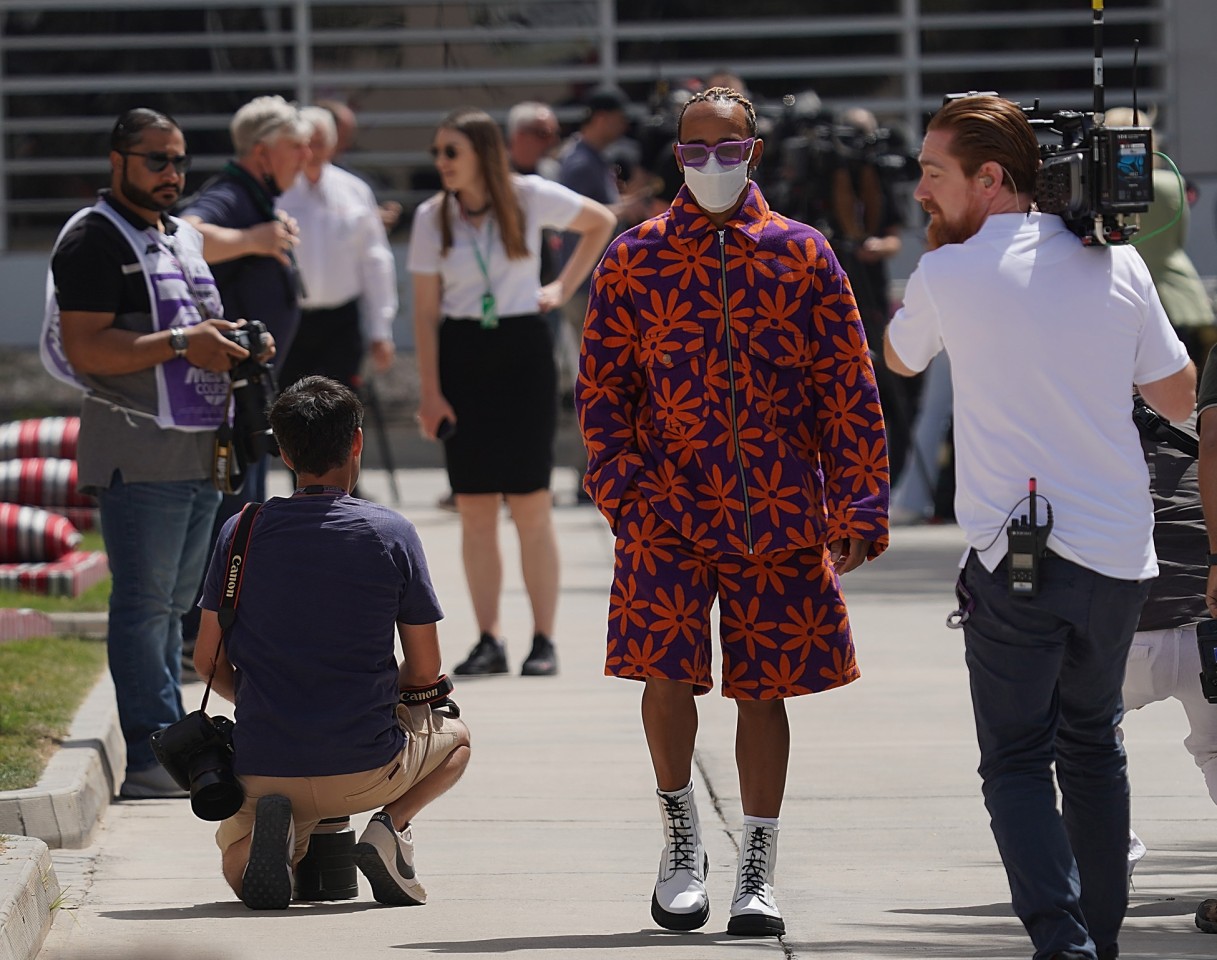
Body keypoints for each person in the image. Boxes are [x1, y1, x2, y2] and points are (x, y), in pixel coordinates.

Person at [883, 94, 1195, 960]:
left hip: (1009, 562)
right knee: (1093, 745)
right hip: (1115, 558)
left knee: (1016, 761)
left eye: (932, 173)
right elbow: (1176, 396)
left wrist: (948, 261)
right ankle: (1096, 938)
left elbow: (900, 356)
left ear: (990, 179)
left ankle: (1063, 946)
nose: (919, 193)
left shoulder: (947, 273)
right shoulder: (1118, 265)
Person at [577, 86, 889, 937]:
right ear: (674, 154)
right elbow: (603, 390)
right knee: (663, 670)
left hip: (779, 505)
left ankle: (757, 861)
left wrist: (858, 499)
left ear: (753, 150)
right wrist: (624, 493)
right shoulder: (634, 257)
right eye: (693, 148)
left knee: (766, 687)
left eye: (727, 147)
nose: (710, 162)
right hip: (665, 507)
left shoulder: (803, 252)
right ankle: (681, 838)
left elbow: (847, 383)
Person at [40, 108, 271, 799]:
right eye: (156, 161)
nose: (172, 174)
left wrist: (232, 342)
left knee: (174, 605)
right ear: (117, 161)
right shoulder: (90, 239)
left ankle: (175, 743)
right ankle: (151, 755)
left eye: (179, 162)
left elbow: (193, 326)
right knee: (143, 605)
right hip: (137, 451)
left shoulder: (178, 236)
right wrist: (180, 345)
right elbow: (85, 348)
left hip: (202, 448)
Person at [193, 376, 470, 911]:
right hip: (365, 767)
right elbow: (426, 668)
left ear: (284, 450)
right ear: (357, 442)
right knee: (456, 742)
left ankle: (276, 842)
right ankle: (388, 828)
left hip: (265, 761)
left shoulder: (241, 531)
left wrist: (261, 701)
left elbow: (206, 659)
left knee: (237, 866)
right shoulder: (390, 533)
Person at [408, 108, 615, 678]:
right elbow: (425, 314)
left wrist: (561, 287)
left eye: (451, 152)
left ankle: (543, 639)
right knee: (475, 508)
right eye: (438, 154)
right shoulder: (433, 216)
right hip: (461, 355)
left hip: (522, 347)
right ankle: (488, 638)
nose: (442, 164)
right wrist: (431, 392)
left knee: (531, 504)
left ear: (481, 152)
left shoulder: (527, 195)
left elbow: (600, 221)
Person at [180, 94, 310, 503]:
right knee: (234, 527)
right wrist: (252, 238)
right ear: (262, 152)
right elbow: (186, 236)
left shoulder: (254, 198)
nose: (306, 155)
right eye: (295, 146)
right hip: (229, 399)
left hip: (248, 396)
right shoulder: (233, 194)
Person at [1119, 404, 1217, 905]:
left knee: (1076, 738)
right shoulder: (1204, 428)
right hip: (1208, 631)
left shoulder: (1071, 430)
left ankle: (1109, 860)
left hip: (1122, 635)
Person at [275, 106, 397, 391]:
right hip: (291, 321)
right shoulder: (277, 192)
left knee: (339, 409)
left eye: (319, 143)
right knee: (288, 410)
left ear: (332, 145)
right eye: (306, 144)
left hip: (341, 322)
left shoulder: (355, 191)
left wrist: (381, 329)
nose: (312, 152)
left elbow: (375, 261)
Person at [1106, 107, 1216, 372]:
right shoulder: (1172, 184)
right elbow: (1178, 240)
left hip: (1118, 303)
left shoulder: (1101, 192)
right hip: (1179, 301)